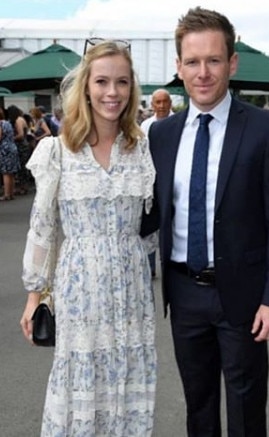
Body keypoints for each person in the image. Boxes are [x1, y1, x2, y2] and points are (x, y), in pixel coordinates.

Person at [141, 7, 269, 436]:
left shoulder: (265, 128)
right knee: (199, 405)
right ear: (178, 67)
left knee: (247, 410)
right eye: (192, 62)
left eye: (213, 60)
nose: (203, 72)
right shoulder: (162, 134)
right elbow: (149, 211)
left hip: (245, 296)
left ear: (232, 62)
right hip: (183, 292)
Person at [20, 39, 156, 436]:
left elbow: (152, 226)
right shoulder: (57, 151)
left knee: (127, 381)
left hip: (132, 290)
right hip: (79, 290)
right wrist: (35, 295)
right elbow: (43, 226)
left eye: (122, 82)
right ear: (86, 87)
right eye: (101, 82)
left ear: (133, 89)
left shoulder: (143, 149)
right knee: (80, 379)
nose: (111, 92)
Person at [141, 88, 174, 278]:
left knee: (170, 227)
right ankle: (151, 266)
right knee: (151, 225)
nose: (161, 106)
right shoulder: (146, 126)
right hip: (151, 182)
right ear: (152, 105)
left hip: (171, 182)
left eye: (164, 102)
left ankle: (170, 265)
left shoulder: (179, 123)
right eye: (157, 102)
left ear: (170, 103)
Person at [7, 104, 31, 195]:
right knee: (22, 166)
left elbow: (20, 134)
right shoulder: (21, 119)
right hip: (23, 145)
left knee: (22, 167)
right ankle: (23, 186)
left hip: (21, 145)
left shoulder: (18, 120)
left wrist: (11, 138)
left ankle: (23, 187)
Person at [0, 107, 20, 200]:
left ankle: (7, 194)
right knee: (11, 173)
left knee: (5, 172)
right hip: (12, 146)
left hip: (4, 149)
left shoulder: (0, 124)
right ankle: (11, 193)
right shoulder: (7, 123)